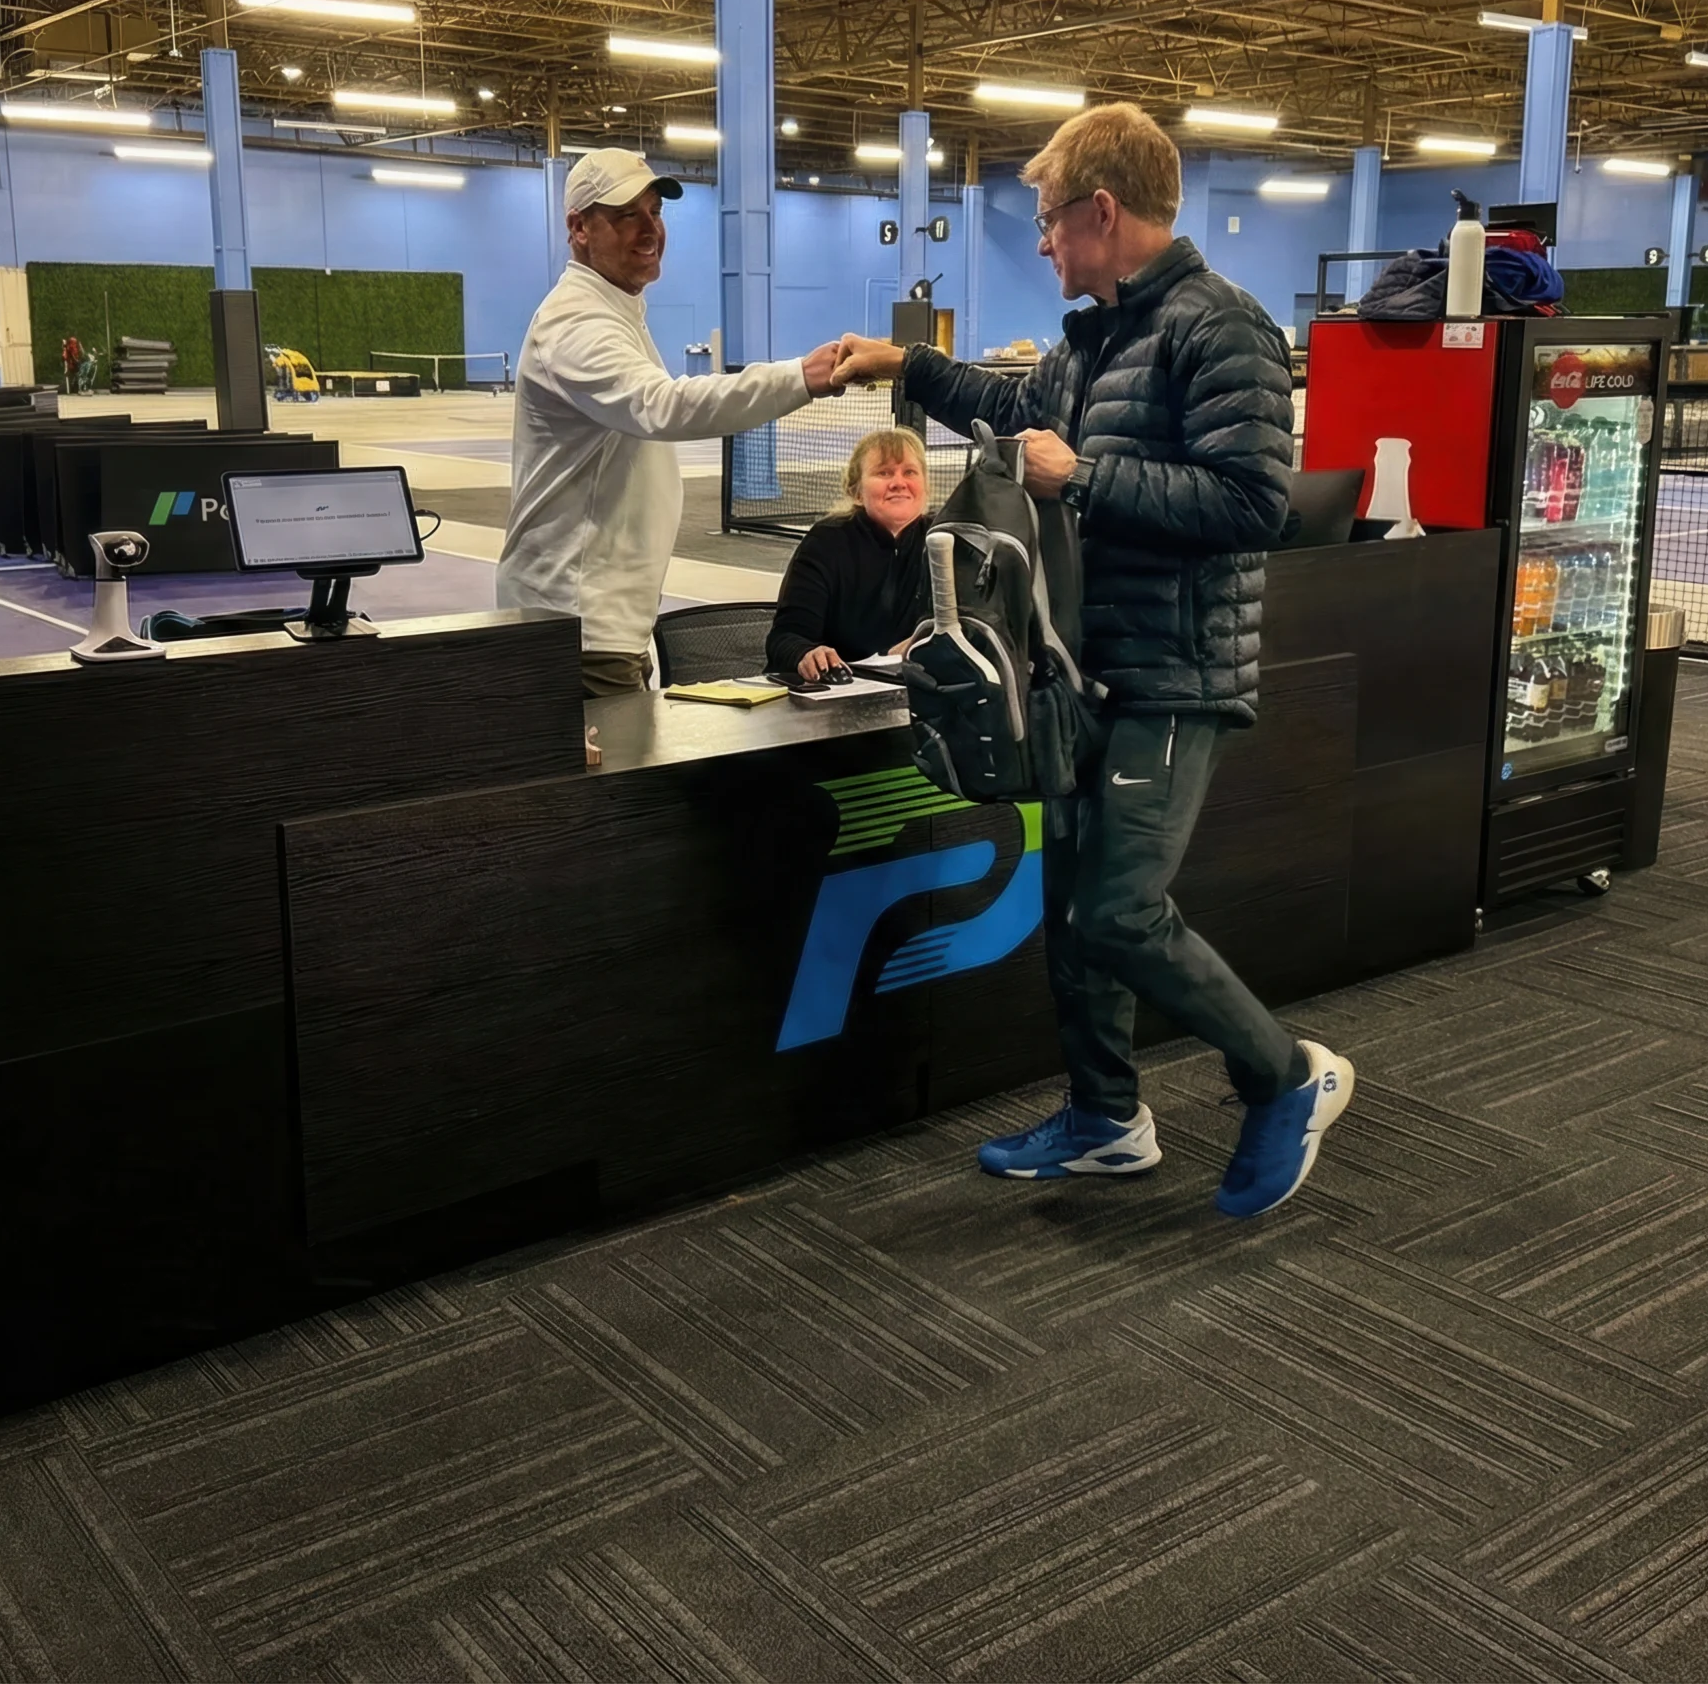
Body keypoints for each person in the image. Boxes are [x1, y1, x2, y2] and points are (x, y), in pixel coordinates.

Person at [830, 102, 1352, 1219]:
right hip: (1082, 671)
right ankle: (1107, 1118)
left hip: (1176, 673)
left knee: (1118, 912)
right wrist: (906, 364)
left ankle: (1285, 1076)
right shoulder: (1089, 340)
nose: (1040, 243)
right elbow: (1011, 411)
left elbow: (1254, 504)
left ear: (1101, 212)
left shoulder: (1224, 328)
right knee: (1070, 911)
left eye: (1047, 220)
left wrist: (1085, 480)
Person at [500, 147, 842, 695]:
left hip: (604, 626)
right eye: (625, 215)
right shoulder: (575, 323)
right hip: (577, 630)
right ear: (579, 228)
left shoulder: (616, 310)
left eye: (655, 212)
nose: (649, 230)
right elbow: (663, 406)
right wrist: (801, 377)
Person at [767, 426, 932, 679]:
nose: (899, 483)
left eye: (909, 472)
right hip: (837, 688)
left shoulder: (943, 540)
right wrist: (807, 653)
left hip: (914, 688)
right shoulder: (826, 541)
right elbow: (785, 637)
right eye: (884, 472)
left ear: (925, 486)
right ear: (857, 493)